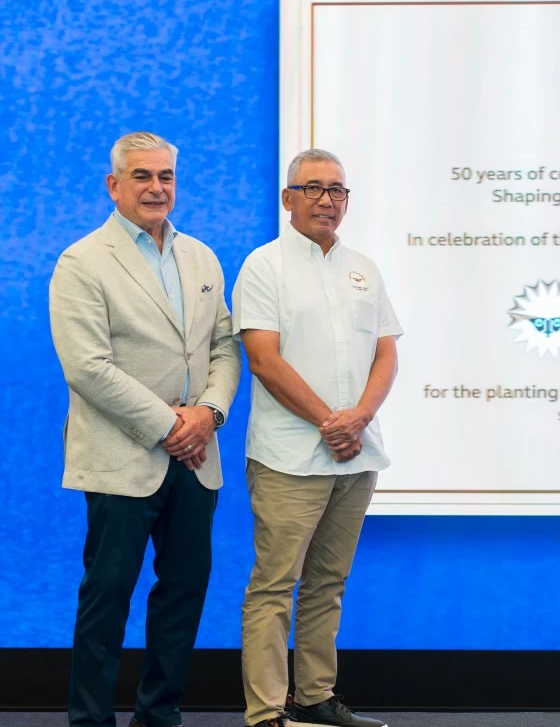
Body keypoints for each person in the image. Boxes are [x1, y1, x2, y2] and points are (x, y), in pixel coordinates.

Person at [49, 131, 240, 727]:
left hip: (196, 459)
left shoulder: (201, 257)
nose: (157, 188)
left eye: (166, 177)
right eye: (142, 176)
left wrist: (207, 415)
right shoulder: (82, 261)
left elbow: (226, 347)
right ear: (114, 185)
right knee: (106, 600)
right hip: (121, 457)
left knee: (183, 598)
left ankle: (160, 717)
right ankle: (90, 721)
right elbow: (86, 366)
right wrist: (169, 426)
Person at [233, 148, 401, 727]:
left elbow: (385, 352)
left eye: (337, 190)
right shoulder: (263, 265)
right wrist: (332, 420)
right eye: (312, 188)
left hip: (356, 457)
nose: (326, 199)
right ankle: (264, 712)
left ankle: (315, 697)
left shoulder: (364, 269)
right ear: (287, 199)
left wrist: (359, 417)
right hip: (288, 456)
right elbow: (263, 359)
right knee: (275, 586)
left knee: (329, 583)